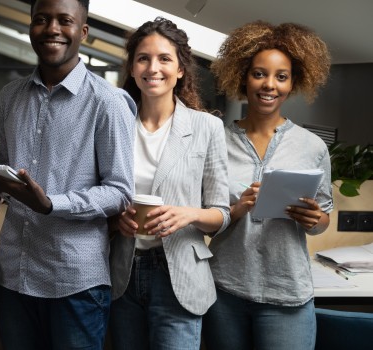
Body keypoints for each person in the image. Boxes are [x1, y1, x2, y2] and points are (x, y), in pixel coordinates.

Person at [0, 0, 136, 348]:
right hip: (13, 277)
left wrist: (51, 204)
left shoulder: (108, 101)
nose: (52, 29)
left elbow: (120, 190)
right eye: (41, 19)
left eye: (65, 20)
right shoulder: (9, 97)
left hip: (75, 283)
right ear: (30, 26)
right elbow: (8, 172)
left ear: (84, 31)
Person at [202, 21, 332, 350]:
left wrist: (315, 219)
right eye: (259, 73)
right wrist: (236, 209)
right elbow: (202, 216)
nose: (269, 85)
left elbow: (324, 217)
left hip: (287, 295)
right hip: (224, 292)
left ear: (294, 82)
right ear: (243, 76)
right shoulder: (216, 140)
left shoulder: (313, 147)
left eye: (281, 76)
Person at [108, 17, 230, 350]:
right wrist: (114, 220)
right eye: (143, 58)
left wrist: (188, 215)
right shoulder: (114, 126)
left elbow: (222, 213)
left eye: (165, 58)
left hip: (178, 276)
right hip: (121, 271)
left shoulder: (207, 128)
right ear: (132, 68)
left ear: (180, 70)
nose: (153, 67)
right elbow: (99, 195)